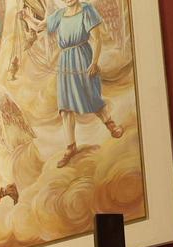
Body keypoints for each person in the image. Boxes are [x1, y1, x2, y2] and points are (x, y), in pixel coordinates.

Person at [24, 0, 123, 167]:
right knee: (65, 106)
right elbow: (40, 26)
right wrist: (27, 18)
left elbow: (97, 38)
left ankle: (111, 125)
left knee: (92, 96)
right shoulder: (59, 15)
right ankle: (71, 147)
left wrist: (94, 62)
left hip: (83, 58)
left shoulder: (86, 10)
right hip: (65, 62)